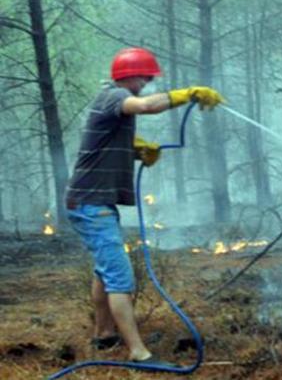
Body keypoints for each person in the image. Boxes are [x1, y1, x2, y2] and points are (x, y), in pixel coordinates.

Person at [64, 47, 223, 363]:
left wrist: (137, 150)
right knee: (121, 278)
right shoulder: (112, 97)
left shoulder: (112, 104)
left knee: (104, 271)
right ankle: (138, 351)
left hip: (90, 203)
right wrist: (188, 94)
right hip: (91, 205)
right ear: (128, 75)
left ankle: (104, 335)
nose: (148, 82)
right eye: (145, 76)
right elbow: (148, 106)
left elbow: (107, 143)